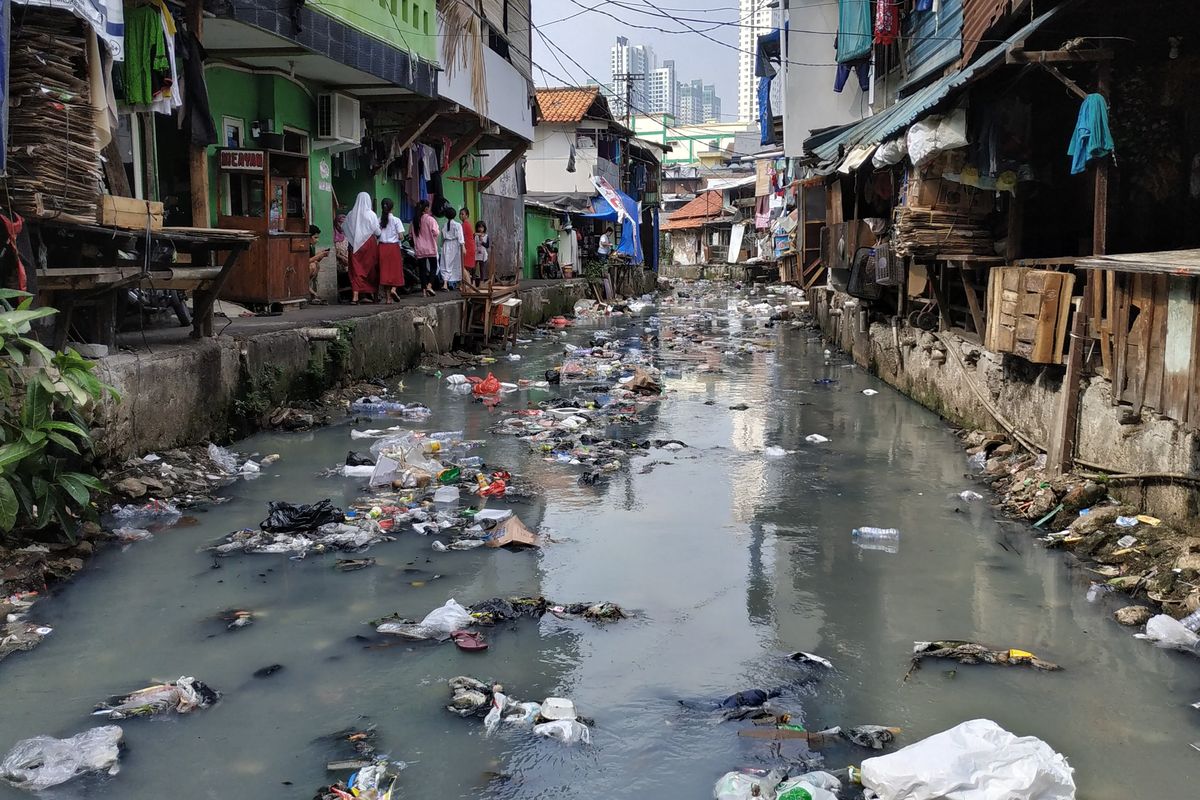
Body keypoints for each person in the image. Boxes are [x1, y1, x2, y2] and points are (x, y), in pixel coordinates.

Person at [344, 192, 380, 304]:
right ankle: (374, 295)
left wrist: (353, 236)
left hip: (353, 245)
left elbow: (343, 227)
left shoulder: (350, 214)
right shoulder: (371, 214)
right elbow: (377, 231)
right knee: (371, 269)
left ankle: (355, 297)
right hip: (369, 245)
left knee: (356, 270)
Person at [377, 198, 405, 302]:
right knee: (395, 271)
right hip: (393, 248)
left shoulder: (379, 220)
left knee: (385, 273)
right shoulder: (396, 220)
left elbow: (376, 234)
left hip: (382, 248)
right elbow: (401, 236)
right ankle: (394, 289)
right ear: (392, 208)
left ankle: (388, 299)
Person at [412, 200, 440, 297]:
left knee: (422, 270)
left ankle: (423, 291)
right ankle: (429, 285)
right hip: (430, 248)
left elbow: (411, 235)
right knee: (433, 267)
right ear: (426, 208)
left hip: (419, 248)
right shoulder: (430, 219)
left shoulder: (415, 221)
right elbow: (436, 232)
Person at [439, 207, 465, 290]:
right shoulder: (458, 225)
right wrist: (463, 246)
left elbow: (442, 238)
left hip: (446, 245)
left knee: (446, 264)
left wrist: (441, 246)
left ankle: (445, 283)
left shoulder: (444, 225)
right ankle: (460, 284)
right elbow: (461, 237)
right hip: (455, 245)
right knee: (457, 264)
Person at [307, 224, 330, 305]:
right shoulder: (303, 246)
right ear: (309, 237)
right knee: (313, 265)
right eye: (315, 238)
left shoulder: (310, 247)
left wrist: (322, 255)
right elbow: (305, 262)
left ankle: (309, 289)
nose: (317, 240)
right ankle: (308, 290)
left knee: (316, 264)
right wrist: (318, 256)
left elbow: (314, 259)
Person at [333, 214, 351, 302]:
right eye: (340, 223)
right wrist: (341, 257)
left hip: (346, 258)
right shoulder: (333, 234)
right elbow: (334, 252)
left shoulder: (347, 234)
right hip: (338, 260)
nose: (341, 225)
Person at [459, 207, 476, 282]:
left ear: (467, 215)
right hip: (470, 247)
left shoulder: (464, 225)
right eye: (460, 214)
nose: (461, 215)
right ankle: (467, 285)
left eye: (462, 214)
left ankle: (468, 285)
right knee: (466, 268)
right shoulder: (466, 224)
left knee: (462, 267)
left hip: (467, 248)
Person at [473, 220, 490, 286]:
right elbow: (472, 242)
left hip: (483, 254)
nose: (480, 229)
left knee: (481, 268)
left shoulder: (486, 236)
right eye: (479, 227)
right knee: (473, 268)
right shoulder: (475, 235)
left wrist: (482, 242)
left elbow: (487, 246)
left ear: (484, 228)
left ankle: (481, 283)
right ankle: (473, 282)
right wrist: (474, 235)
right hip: (476, 253)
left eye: (482, 227)